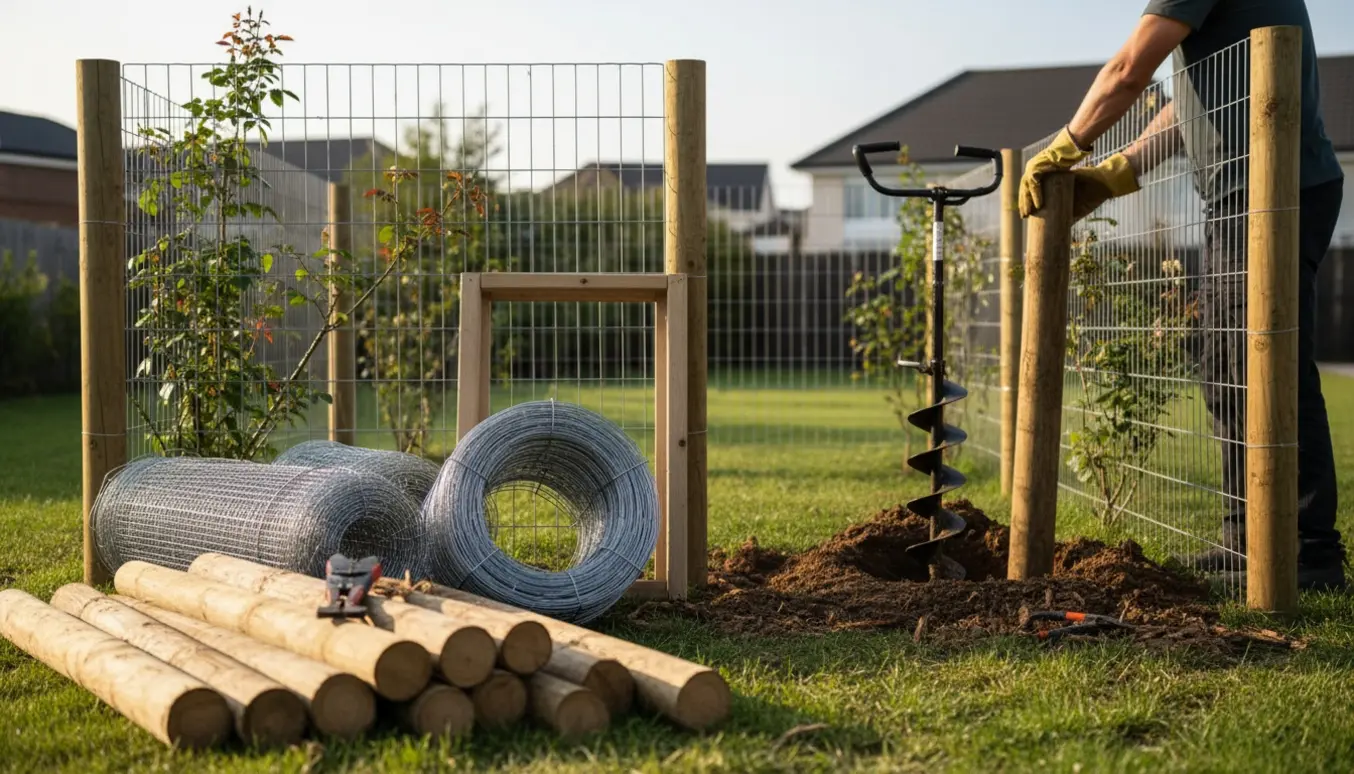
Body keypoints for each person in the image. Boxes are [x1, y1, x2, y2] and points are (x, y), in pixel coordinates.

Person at [1019, 0, 1347, 591]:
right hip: (1248, 188)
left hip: (1268, 187)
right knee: (1226, 365)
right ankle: (1245, 536)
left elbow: (1128, 70)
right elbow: (1187, 107)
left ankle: (1309, 554)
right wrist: (1118, 170)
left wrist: (1067, 143)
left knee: (1270, 368)